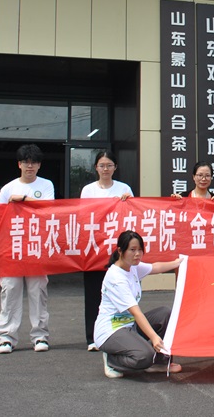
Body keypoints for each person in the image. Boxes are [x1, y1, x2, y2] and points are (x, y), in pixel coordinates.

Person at [0, 144, 55, 354]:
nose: (30, 166)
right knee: (10, 290)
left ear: (39, 165)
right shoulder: (8, 188)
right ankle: (6, 337)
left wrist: (23, 200)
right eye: (26, 162)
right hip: (11, 247)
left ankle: (40, 336)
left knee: (37, 291)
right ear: (19, 164)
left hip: (36, 246)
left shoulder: (46, 185)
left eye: (34, 162)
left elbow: (49, 209)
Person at [93, 231, 183, 378]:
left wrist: (178, 263)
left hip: (130, 325)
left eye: (140, 250)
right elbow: (136, 312)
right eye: (132, 250)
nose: (137, 254)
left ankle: (158, 363)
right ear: (120, 251)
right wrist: (154, 337)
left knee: (165, 313)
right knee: (144, 356)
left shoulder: (132, 267)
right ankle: (112, 360)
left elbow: (155, 267)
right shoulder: (116, 278)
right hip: (112, 331)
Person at [80, 149, 133, 352]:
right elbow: (83, 216)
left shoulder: (124, 188)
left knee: (120, 294)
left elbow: (132, 214)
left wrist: (129, 201)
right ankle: (92, 337)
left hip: (117, 250)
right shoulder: (88, 190)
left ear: (115, 167)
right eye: (102, 165)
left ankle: (121, 332)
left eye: (109, 165)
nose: (105, 169)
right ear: (96, 167)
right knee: (93, 294)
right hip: (94, 248)